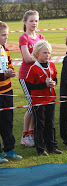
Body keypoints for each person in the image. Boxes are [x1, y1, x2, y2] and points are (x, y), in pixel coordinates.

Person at [25, 40, 63, 156]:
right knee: (40, 125)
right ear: (37, 54)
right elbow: (29, 85)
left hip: (51, 99)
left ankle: (52, 146)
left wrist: (54, 83)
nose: (47, 55)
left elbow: (55, 78)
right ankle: (40, 149)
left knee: (50, 123)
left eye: (49, 53)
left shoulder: (51, 65)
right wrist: (44, 85)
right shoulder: (33, 68)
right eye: (44, 53)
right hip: (39, 101)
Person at [19, 10, 45, 147]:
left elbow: (47, 54)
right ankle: (25, 135)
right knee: (32, 104)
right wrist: (40, 57)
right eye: (31, 21)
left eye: (36, 20)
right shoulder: (23, 38)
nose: (34, 23)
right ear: (25, 22)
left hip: (38, 76)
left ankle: (32, 132)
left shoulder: (41, 36)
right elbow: (27, 58)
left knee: (36, 105)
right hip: (25, 76)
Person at [0, 21, 23, 163]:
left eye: (7, 35)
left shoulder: (5, 50)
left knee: (8, 121)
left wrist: (11, 72)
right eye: (3, 35)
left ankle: (10, 150)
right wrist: (4, 75)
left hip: (8, 91)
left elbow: (9, 66)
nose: (6, 38)